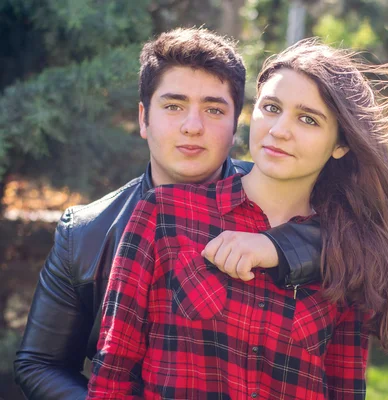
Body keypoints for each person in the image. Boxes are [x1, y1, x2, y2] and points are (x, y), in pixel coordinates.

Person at [87, 38, 388, 399]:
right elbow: (112, 374)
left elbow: (344, 390)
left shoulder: (346, 251)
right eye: (271, 108)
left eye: (307, 119)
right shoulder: (163, 213)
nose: (280, 130)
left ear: (341, 144)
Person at [14, 28, 323, 400]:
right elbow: (39, 363)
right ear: (144, 119)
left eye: (213, 109)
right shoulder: (85, 233)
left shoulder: (279, 193)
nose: (192, 126)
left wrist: (278, 245)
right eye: (173, 106)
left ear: (235, 124)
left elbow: (359, 236)